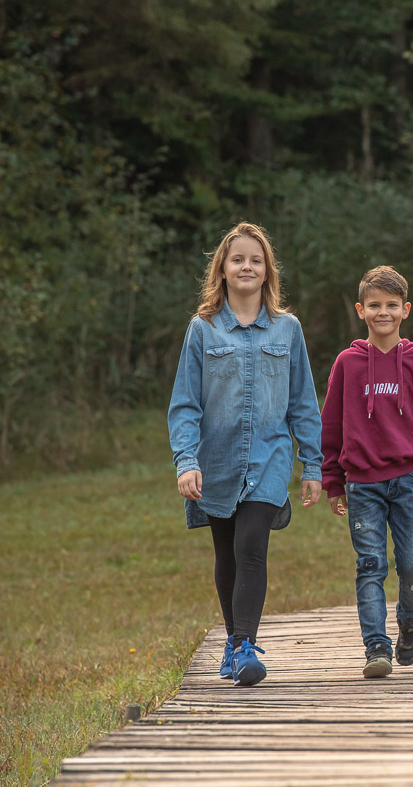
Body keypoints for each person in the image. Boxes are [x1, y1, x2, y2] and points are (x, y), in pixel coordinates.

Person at [168, 221, 323, 687]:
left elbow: (303, 401)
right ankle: (235, 646)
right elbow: (185, 404)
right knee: (227, 552)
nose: (247, 266)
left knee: (252, 544)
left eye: (256, 259)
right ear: (222, 269)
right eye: (238, 259)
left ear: (267, 271)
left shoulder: (287, 329)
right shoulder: (203, 330)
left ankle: (245, 644)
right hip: (215, 461)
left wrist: (313, 464)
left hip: (270, 459)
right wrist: (187, 460)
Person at [321, 265, 413, 679]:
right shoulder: (347, 364)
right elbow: (331, 423)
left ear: (405, 310)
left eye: (391, 305)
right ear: (361, 310)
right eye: (374, 305)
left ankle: (410, 622)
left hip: (410, 481)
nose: (383, 312)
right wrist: (332, 480)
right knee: (370, 564)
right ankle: (376, 646)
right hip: (362, 483)